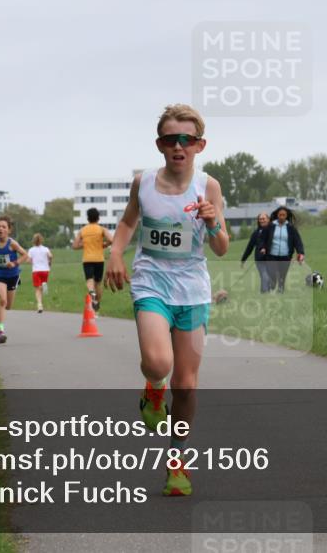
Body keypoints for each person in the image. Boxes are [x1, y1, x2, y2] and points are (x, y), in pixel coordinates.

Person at [105, 104, 229, 497]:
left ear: (199, 145)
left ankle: (177, 464)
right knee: (158, 362)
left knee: (187, 386)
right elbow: (127, 222)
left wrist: (212, 222)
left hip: (192, 289)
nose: (179, 146)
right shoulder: (142, 183)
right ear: (159, 144)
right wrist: (115, 253)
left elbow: (222, 247)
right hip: (151, 283)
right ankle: (152, 388)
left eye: (187, 140)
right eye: (170, 139)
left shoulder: (208, 187)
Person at [0, 216, 30, 344]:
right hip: (0, 276)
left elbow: (25, 255)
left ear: (9, 230)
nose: (0, 229)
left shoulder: (12, 244)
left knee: (8, 306)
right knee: (2, 300)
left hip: (13, 276)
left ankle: (2, 327)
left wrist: (14, 263)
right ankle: (1, 331)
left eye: (4, 227)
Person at [72, 208, 112, 312]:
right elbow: (111, 240)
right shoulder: (102, 229)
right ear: (98, 218)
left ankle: (91, 291)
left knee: (89, 279)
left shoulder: (82, 230)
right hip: (99, 259)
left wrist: (84, 244)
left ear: (88, 218)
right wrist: (104, 245)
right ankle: (97, 304)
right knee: (98, 283)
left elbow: (75, 246)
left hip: (87, 259)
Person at [258, 206, 305, 294]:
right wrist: (263, 247)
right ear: (277, 215)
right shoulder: (270, 226)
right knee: (272, 274)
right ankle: (272, 285)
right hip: (271, 255)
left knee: (282, 275)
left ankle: (280, 290)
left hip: (285, 256)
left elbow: (298, 241)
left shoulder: (291, 228)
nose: (282, 217)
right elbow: (262, 239)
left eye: (284, 215)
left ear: (286, 216)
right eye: (280, 215)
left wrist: (300, 253)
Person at [239, 212, 271, 293]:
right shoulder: (256, 233)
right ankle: (265, 294)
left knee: (269, 277)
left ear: (268, 219)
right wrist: (243, 260)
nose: (262, 220)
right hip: (259, 259)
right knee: (265, 275)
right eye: (260, 219)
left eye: (263, 219)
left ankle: (264, 293)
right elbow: (249, 247)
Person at [28, 233, 52, 313]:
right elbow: (50, 256)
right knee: (41, 286)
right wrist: (49, 262)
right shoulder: (45, 249)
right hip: (45, 270)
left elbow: (28, 260)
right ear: (41, 240)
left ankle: (39, 304)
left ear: (33, 241)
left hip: (36, 271)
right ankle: (44, 285)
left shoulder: (31, 250)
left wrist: (31, 262)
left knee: (37, 289)